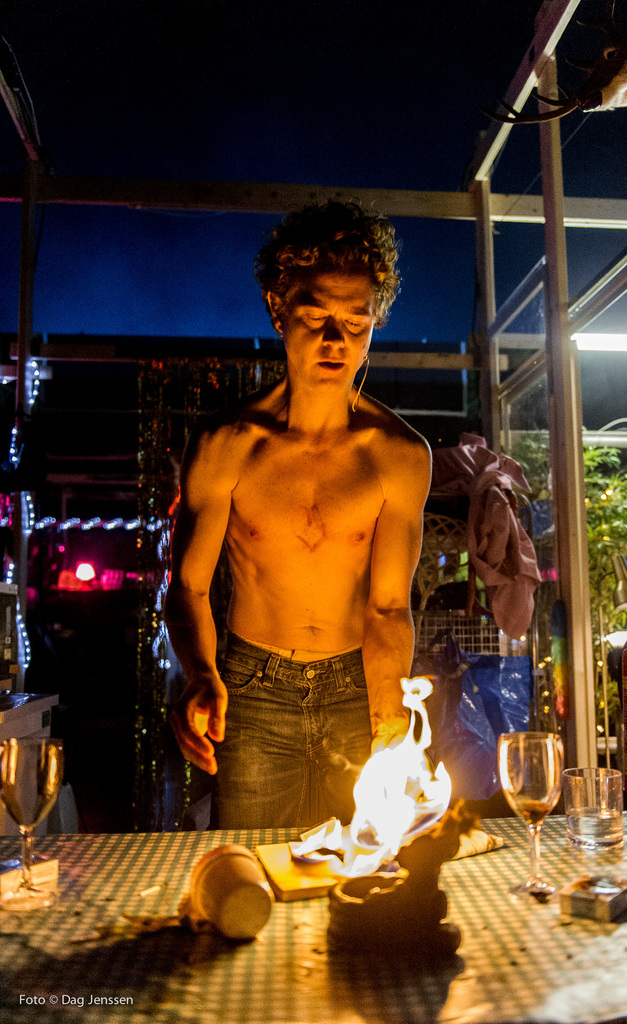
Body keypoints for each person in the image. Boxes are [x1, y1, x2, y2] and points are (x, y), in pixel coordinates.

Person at [165, 201, 431, 829]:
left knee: (365, 870)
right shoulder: (227, 443)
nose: (336, 340)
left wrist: (390, 705)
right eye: (316, 317)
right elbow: (189, 587)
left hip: (356, 684)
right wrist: (199, 674)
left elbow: (389, 606)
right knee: (253, 868)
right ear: (278, 309)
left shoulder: (398, 455)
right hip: (252, 689)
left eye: (356, 323)